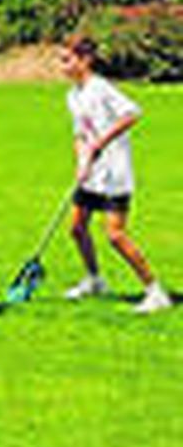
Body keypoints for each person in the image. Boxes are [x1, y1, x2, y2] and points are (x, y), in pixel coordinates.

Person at [59, 35, 172, 314]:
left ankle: (155, 292)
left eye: (66, 59)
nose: (61, 66)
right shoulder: (73, 95)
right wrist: (81, 159)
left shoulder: (101, 88)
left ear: (84, 60)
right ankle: (94, 279)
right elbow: (79, 133)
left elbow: (133, 113)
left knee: (115, 235)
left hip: (114, 173)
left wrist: (102, 141)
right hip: (92, 173)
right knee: (76, 228)